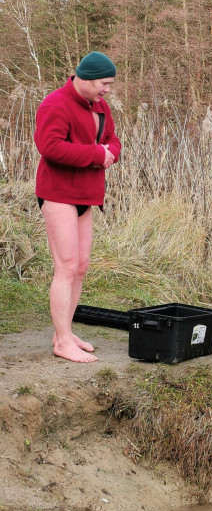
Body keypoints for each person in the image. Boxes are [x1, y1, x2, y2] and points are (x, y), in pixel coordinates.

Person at [34, 51, 121, 363]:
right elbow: (50, 147)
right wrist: (97, 155)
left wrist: (109, 151)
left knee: (81, 266)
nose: (107, 89)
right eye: (103, 83)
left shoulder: (100, 107)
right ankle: (61, 343)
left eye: (109, 84)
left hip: (87, 193)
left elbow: (113, 140)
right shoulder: (55, 103)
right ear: (84, 79)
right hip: (58, 193)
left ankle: (65, 334)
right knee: (67, 265)